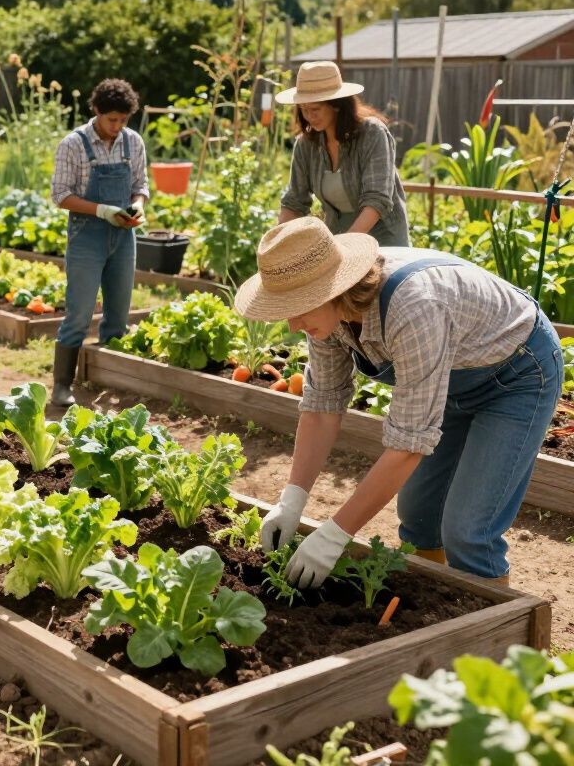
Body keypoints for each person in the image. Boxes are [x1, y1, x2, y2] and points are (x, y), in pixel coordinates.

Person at [234, 216, 563, 586]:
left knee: (468, 531)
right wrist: (292, 499)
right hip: (453, 381)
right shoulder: (326, 318)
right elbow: (323, 406)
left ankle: (494, 636)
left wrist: (335, 533)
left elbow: (408, 444)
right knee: (419, 516)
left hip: (517, 374)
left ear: (332, 289)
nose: (293, 325)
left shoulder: (413, 306)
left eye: (300, 307)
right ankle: (439, 613)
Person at [50, 78, 149, 406]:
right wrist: (101, 210)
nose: (117, 127)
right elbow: (61, 195)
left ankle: (110, 378)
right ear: (96, 112)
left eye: (123, 120)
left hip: (123, 235)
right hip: (86, 236)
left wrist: (137, 206)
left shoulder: (132, 142)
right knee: (79, 312)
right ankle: (62, 385)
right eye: (112, 120)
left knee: (118, 313)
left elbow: (140, 184)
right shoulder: (74, 144)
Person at [277, 60, 409, 246]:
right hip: (337, 239)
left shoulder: (372, 134)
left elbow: (377, 200)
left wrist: (347, 246)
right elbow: (294, 201)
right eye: (304, 110)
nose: (309, 116)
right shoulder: (306, 145)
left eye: (315, 109)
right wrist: (280, 241)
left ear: (337, 105)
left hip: (383, 240)